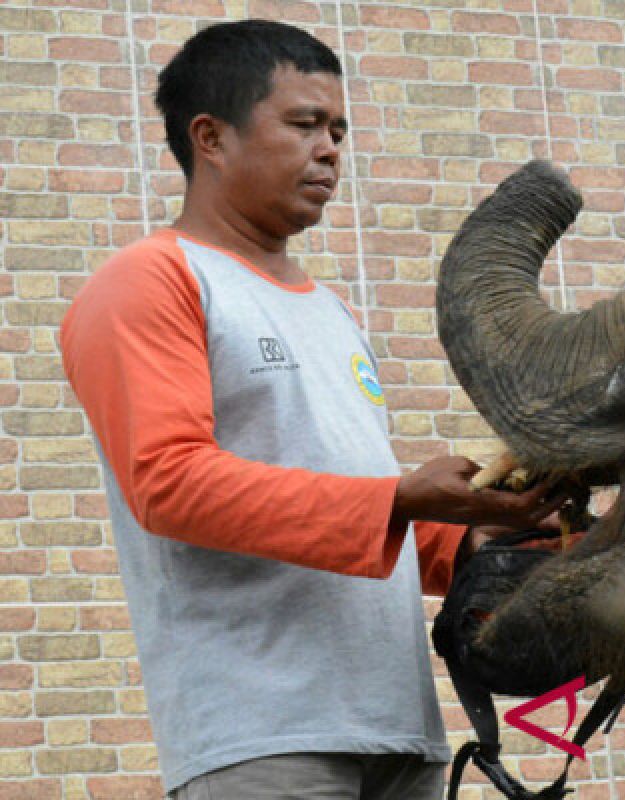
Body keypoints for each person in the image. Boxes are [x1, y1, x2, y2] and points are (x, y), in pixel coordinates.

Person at [61, 19, 562, 800]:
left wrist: (482, 533)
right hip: (262, 733)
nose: (330, 148)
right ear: (211, 137)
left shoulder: (327, 308)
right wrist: (399, 497)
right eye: (303, 124)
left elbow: (364, 519)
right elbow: (168, 483)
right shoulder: (151, 281)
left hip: (399, 726)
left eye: (338, 130)